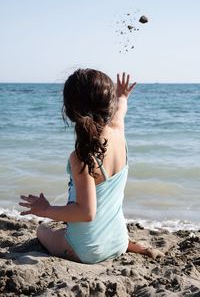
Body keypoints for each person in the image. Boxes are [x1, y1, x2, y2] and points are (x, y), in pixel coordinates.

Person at [19, 69, 163, 263]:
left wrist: (45, 209)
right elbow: (121, 109)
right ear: (108, 105)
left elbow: (86, 213)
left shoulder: (81, 156)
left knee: (43, 230)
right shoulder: (118, 132)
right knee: (78, 224)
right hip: (118, 240)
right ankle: (129, 244)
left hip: (87, 251)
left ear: (70, 111)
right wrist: (122, 96)